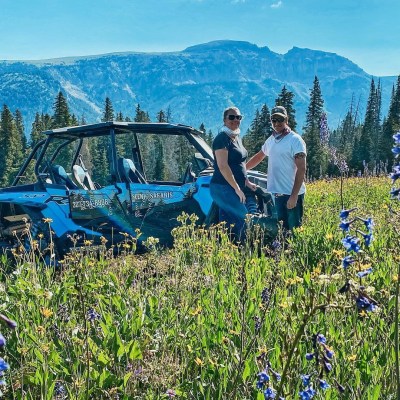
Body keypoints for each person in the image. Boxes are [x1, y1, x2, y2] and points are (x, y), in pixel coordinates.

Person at [246, 106, 306, 232]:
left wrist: (294, 196)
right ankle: (283, 251)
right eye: (274, 120)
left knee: (295, 230)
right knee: (281, 230)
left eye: (280, 119)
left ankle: (295, 251)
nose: (277, 123)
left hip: (291, 194)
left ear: (286, 120)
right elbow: (259, 156)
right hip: (277, 194)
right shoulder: (272, 139)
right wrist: (243, 169)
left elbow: (301, 169)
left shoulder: (295, 140)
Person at [210, 106, 257, 241]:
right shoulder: (222, 139)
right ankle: (245, 250)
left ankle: (227, 251)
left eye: (238, 117)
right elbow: (223, 166)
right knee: (244, 219)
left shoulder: (236, 137)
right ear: (224, 120)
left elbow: (240, 163)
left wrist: (246, 181)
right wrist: (237, 188)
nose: (235, 120)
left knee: (226, 223)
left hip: (233, 187)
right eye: (231, 117)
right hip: (223, 187)